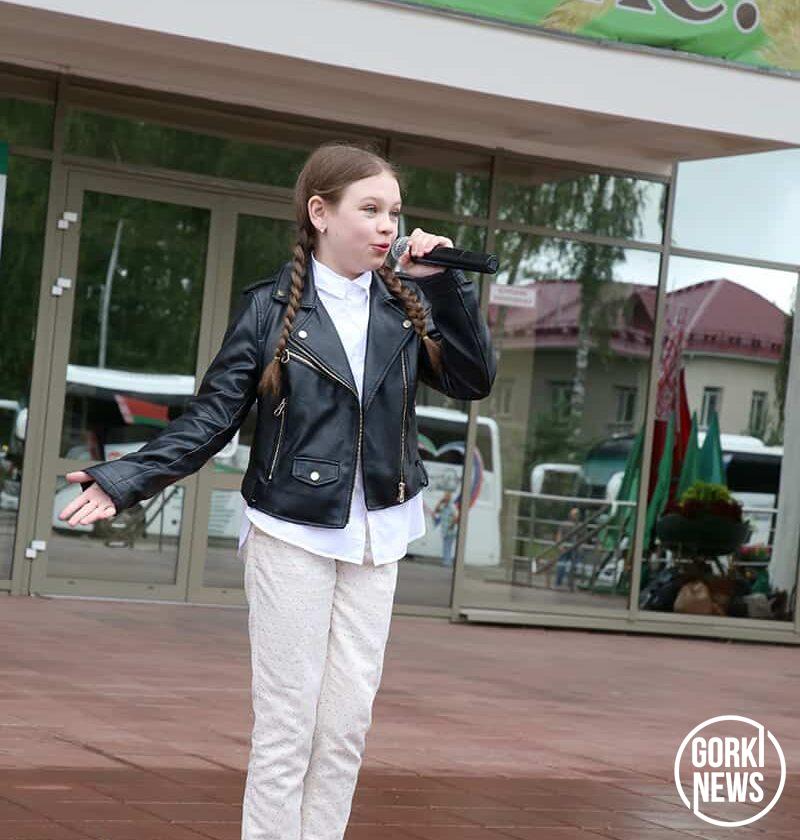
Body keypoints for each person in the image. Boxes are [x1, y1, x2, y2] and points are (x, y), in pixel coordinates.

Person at [56, 141, 496, 840]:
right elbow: (212, 417)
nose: (387, 226)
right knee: (288, 724)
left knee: (344, 727)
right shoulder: (269, 309)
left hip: (378, 534)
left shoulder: (405, 305)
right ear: (320, 213)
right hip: (291, 530)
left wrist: (446, 285)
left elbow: (473, 380)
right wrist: (124, 478)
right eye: (370, 209)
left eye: (394, 212)